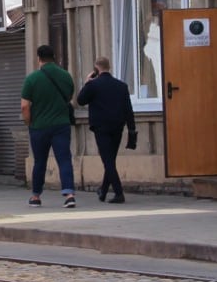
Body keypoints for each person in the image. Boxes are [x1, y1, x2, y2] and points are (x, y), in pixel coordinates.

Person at [20, 44, 77, 208]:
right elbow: (69, 97)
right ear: (54, 57)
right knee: (64, 159)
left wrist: (29, 122)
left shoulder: (32, 79)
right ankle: (69, 194)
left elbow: (24, 106)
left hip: (39, 126)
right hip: (61, 125)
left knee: (39, 161)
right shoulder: (66, 76)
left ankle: (36, 196)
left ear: (39, 58)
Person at [76, 56, 137, 203]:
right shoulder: (121, 86)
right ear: (109, 67)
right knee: (110, 160)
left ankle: (118, 192)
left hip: (101, 127)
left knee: (108, 161)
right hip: (117, 126)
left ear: (96, 68)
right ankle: (103, 190)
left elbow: (80, 100)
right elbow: (128, 109)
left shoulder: (93, 85)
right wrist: (131, 128)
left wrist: (86, 83)